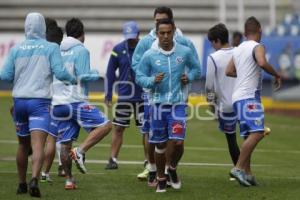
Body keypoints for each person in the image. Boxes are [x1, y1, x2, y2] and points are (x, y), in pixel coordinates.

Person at [0, 12, 76, 197]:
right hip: (39, 102)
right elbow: (59, 71)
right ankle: (35, 178)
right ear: (43, 27)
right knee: (38, 145)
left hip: (19, 102)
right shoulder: (50, 47)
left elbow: (5, 76)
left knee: (22, 145)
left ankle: (21, 184)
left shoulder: (16, 49)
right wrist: (71, 79)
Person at [132, 6, 200, 186]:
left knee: (175, 137)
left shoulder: (185, 44)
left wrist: (188, 78)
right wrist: (150, 81)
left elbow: (195, 66)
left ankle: (169, 168)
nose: (158, 25)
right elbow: (137, 66)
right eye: (156, 21)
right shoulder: (147, 42)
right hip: (152, 96)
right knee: (150, 133)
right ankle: (152, 168)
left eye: (161, 20)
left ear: (172, 23)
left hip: (178, 96)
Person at [51, 18, 112, 190]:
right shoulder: (81, 50)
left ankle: (69, 180)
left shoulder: (57, 50)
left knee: (65, 142)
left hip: (58, 103)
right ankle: (80, 151)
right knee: (106, 125)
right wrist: (96, 74)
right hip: (75, 101)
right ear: (82, 34)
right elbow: (84, 75)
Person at [226, 16, 281, 186]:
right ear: (260, 31)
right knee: (258, 132)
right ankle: (238, 168)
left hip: (237, 97)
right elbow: (262, 62)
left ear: (244, 33)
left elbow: (229, 71)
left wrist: (243, 75)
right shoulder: (258, 46)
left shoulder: (238, 49)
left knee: (249, 135)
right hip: (250, 97)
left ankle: (248, 174)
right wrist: (276, 74)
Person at [104, 21, 144, 170]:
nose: (130, 39)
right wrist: (108, 93)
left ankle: (148, 161)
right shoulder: (118, 49)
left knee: (146, 130)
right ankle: (112, 159)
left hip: (143, 96)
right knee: (119, 128)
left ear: (138, 34)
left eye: (133, 37)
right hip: (125, 96)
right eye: (128, 37)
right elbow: (110, 72)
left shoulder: (145, 49)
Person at [205, 24, 240, 168]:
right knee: (248, 139)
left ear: (217, 41)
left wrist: (211, 101)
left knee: (232, 140)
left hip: (226, 106)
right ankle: (246, 170)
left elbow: (209, 85)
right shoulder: (240, 51)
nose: (212, 46)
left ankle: (238, 169)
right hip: (243, 101)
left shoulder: (213, 57)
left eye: (212, 42)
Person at [40, 17, 65, 183]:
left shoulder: (41, 51)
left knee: (40, 138)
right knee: (53, 137)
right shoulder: (59, 52)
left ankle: (41, 172)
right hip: (56, 98)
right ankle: (46, 172)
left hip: (38, 97)